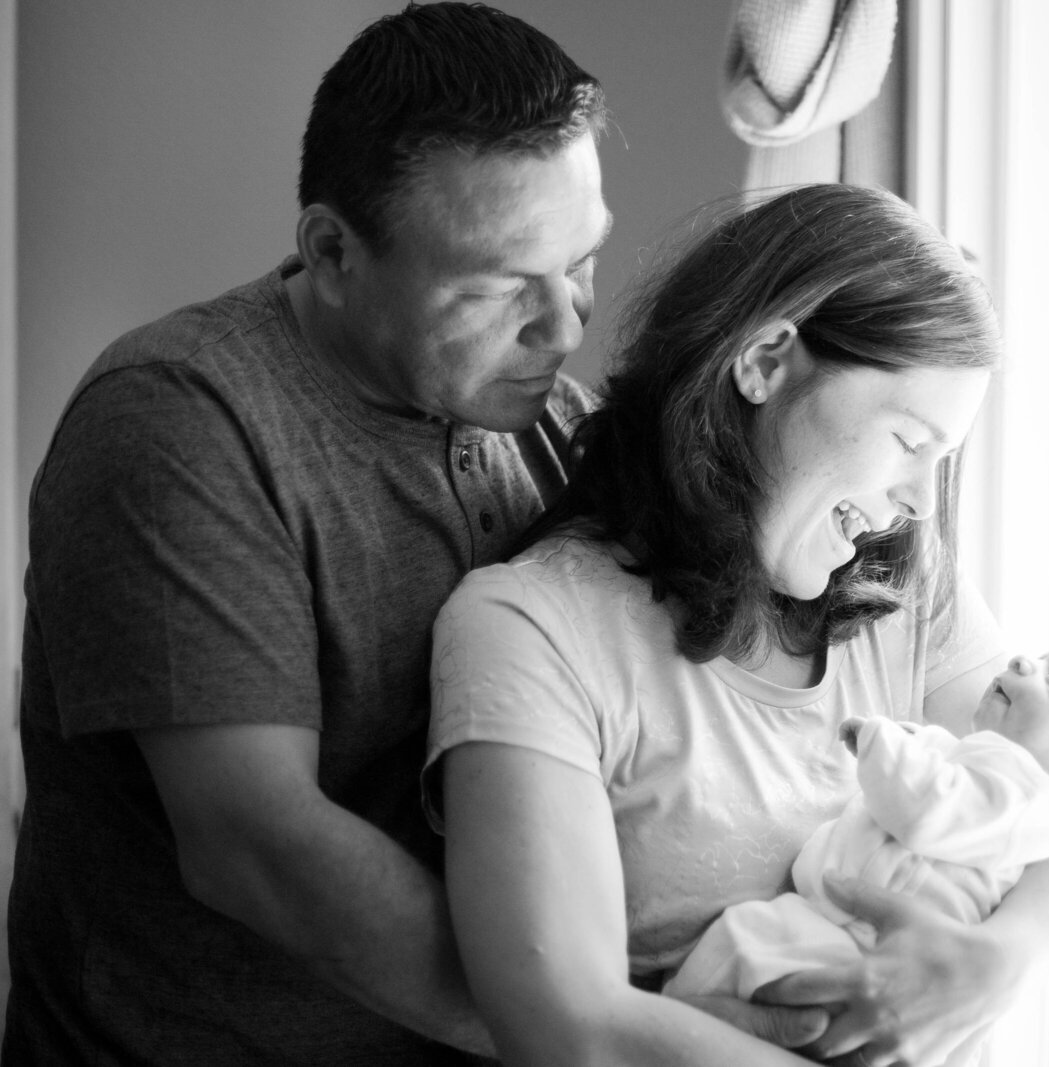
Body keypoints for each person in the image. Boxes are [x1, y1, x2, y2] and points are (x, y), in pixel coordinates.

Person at [4, 5, 624, 1063]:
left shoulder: (550, 421)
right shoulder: (178, 422)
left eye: (580, 262)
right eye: (494, 287)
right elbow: (258, 846)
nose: (565, 328)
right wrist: (592, 1029)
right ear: (332, 251)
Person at [426, 183, 1049, 1067]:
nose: (916, 504)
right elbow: (568, 1024)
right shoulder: (532, 630)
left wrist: (1004, 960)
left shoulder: (900, 591)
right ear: (764, 360)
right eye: (911, 443)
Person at [662, 638, 1049, 1003]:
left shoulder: (1030, 802)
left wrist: (882, 744)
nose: (1023, 662)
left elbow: (931, 810)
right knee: (743, 954)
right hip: (844, 933)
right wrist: (916, 741)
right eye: (1039, 656)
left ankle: (667, 1020)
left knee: (744, 944)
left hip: (865, 951)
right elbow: (952, 768)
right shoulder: (1003, 784)